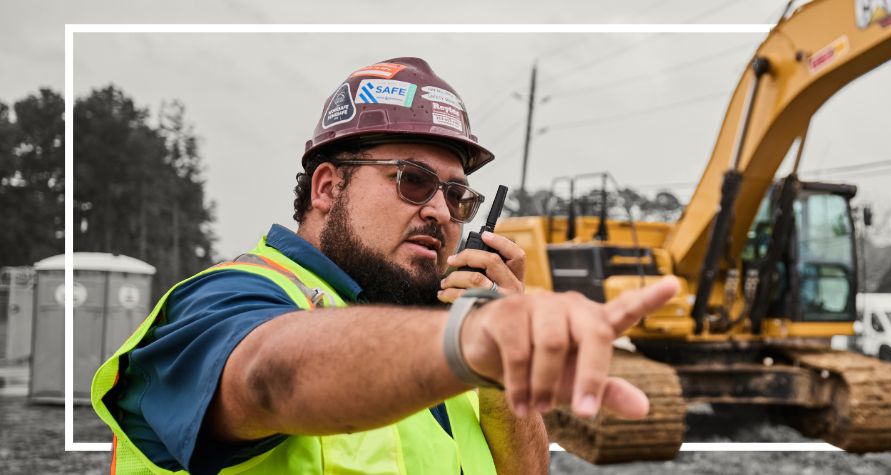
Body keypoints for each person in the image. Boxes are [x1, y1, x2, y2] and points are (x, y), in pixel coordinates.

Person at [90, 57, 679, 475]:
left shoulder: (432, 322)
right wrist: (469, 343)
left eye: (457, 196)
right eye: (412, 180)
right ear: (327, 186)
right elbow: (269, 377)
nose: (440, 211)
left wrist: (498, 378)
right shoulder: (227, 300)